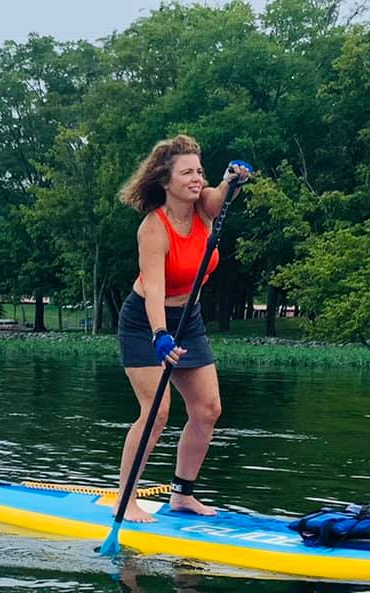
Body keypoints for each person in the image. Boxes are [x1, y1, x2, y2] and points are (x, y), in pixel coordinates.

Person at [115, 135, 250, 521]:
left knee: (208, 409)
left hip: (188, 318)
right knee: (157, 412)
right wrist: (160, 335)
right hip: (145, 321)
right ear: (165, 181)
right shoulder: (153, 229)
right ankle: (126, 498)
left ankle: (182, 495)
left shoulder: (205, 207)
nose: (196, 178)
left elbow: (221, 196)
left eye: (200, 171)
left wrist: (230, 179)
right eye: (187, 172)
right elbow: (154, 289)